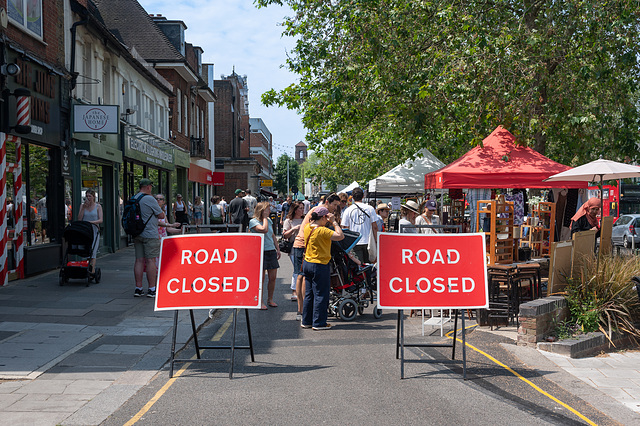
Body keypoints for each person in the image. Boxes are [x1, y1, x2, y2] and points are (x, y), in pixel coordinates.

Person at [292, 193, 341, 321]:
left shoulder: (318, 214)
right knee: (302, 278)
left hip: (305, 245)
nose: (335, 208)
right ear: (327, 203)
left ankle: (306, 315)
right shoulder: (318, 212)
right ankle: (302, 310)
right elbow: (323, 232)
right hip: (303, 245)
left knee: (305, 280)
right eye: (334, 205)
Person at [301, 207, 344, 330]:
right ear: (324, 217)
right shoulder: (322, 231)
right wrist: (334, 222)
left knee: (309, 294)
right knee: (321, 294)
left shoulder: (307, 227)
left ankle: (306, 321)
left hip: (308, 263)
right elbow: (340, 236)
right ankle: (319, 323)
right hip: (319, 264)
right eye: (327, 217)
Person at [133, 178, 165, 297]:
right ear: (148, 187)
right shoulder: (149, 199)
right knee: (150, 260)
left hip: (137, 233)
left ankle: (138, 288)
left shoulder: (134, 198)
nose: (151, 188)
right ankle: (152, 289)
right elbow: (161, 214)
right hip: (150, 234)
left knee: (139, 260)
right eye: (151, 186)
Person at [249, 201, 281, 309]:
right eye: (267, 209)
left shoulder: (268, 221)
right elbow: (264, 230)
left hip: (270, 250)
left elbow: (272, 234)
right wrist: (264, 218)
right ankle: (260, 301)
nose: (269, 211)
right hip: (260, 251)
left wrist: (277, 248)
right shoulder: (253, 222)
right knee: (261, 278)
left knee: (273, 277)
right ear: (262, 211)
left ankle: (270, 299)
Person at [340, 187, 378, 263]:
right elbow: (375, 227)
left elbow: (344, 228)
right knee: (369, 265)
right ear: (363, 196)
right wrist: (377, 241)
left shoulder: (348, 210)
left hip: (354, 241)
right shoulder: (370, 208)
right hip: (368, 242)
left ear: (352, 197)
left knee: (359, 266)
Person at [283, 201, 304, 302]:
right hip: (294, 248)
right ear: (295, 210)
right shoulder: (289, 221)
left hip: (305, 247)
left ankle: (302, 290)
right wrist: (294, 229)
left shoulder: (305, 220)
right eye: (300, 208)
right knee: (297, 269)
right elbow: (285, 235)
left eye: (303, 208)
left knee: (302, 270)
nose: (302, 210)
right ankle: (294, 290)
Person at [77, 189, 103, 272]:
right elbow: (79, 219)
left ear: (93, 197)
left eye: (89, 196)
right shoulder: (82, 206)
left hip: (94, 230)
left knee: (93, 251)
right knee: (85, 250)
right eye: (87, 196)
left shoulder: (98, 206)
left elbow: (100, 220)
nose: (88, 198)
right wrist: (83, 208)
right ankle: (85, 268)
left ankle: (92, 270)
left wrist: (90, 222)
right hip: (85, 231)